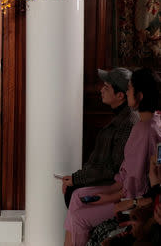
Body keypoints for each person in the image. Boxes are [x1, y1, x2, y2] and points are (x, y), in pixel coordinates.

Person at [64, 67, 161, 246]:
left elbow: (134, 184)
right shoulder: (148, 124)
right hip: (126, 193)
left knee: (79, 217)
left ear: (139, 95)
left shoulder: (145, 130)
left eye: (130, 88)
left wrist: (107, 198)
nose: (127, 91)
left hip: (132, 201)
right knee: (77, 200)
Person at [62, 68, 139, 207]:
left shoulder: (128, 123)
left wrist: (77, 179)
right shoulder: (120, 119)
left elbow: (112, 168)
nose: (101, 90)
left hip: (112, 186)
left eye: (106, 87)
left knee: (74, 193)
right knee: (71, 189)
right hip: (103, 182)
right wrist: (75, 178)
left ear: (120, 95)